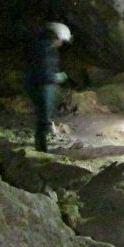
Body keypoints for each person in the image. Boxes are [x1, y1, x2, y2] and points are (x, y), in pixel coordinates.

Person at [24, 22, 71, 152]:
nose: (61, 43)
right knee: (43, 118)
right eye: (61, 40)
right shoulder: (44, 49)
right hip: (39, 86)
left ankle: (42, 145)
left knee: (44, 116)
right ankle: (41, 149)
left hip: (42, 85)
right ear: (56, 37)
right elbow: (41, 71)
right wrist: (55, 77)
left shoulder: (48, 48)